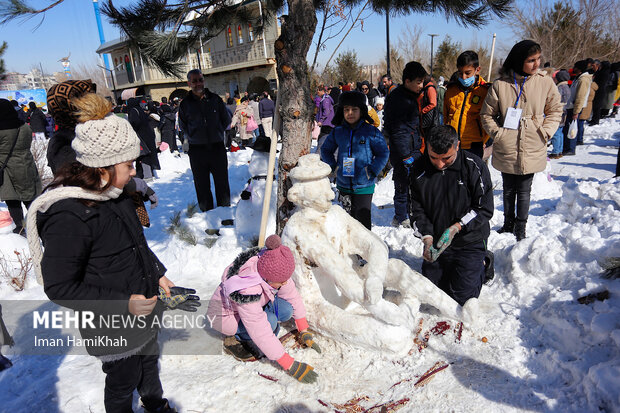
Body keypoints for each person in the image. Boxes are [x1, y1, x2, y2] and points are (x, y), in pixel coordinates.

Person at [27, 93, 188, 412]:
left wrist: (159, 275)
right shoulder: (69, 215)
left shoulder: (115, 195)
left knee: (148, 363)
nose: (134, 172)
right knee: (123, 379)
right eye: (129, 165)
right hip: (110, 321)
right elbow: (59, 286)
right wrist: (123, 304)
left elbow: (135, 243)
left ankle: (156, 405)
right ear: (102, 166)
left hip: (142, 307)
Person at [207, 234, 319, 384]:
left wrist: (303, 329)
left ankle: (264, 316)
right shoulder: (246, 289)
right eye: (281, 281)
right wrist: (290, 365)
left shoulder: (271, 266)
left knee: (286, 310)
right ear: (267, 279)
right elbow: (259, 328)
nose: (285, 283)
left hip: (256, 302)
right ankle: (239, 338)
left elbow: (292, 294)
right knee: (270, 322)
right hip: (225, 317)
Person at [480, 40, 562, 240]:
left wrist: (545, 131)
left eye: (538, 59)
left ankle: (521, 228)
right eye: (531, 60)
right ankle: (508, 224)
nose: (536, 64)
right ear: (518, 61)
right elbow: (486, 115)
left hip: (533, 142)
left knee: (525, 190)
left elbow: (555, 110)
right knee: (508, 188)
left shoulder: (545, 81)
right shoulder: (501, 85)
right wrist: (498, 134)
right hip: (507, 142)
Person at [409, 125, 494, 306]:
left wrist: (457, 227)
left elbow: (483, 208)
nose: (439, 164)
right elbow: (416, 210)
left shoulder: (474, 165)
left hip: (469, 240)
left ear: (457, 146)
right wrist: (428, 238)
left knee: (460, 298)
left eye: (446, 159)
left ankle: (484, 262)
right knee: (433, 294)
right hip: (439, 241)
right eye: (433, 158)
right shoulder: (419, 168)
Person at [320, 91, 389, 229]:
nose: (350, 113)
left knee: (362, 224)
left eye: (354, 109)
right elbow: (325, 150)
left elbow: (383, 153)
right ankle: (348, 250)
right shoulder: (338, 131)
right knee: (346, 223)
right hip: (344, 185)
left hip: (364, 186)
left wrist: (372, 171)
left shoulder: (371, 131)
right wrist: (334, 167)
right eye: (346, 109)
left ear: (362, 111)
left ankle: (364, 250)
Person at [178, 69, 232, 211]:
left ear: (204, 80)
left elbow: (226, 119)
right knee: (201, 184)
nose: (198, 83)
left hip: (217, 147)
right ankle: (206, 212)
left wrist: (217, 132)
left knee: (222, 181)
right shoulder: (185, 104)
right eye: (194, 81)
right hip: (197, 150)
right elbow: (183, 125)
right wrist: (195, 135)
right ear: (189, 83)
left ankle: (224, 211)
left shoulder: (215, 99)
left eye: (200, 80)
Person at [383, 61, 427, 228]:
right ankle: (401, 217)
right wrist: (406, 156)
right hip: (404, 151)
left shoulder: (410, 95)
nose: (421, 86)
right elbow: (399, 130)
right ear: (407, 81)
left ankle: (408, 212)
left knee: (413, 184)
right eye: (418, 82)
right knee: (402, 184)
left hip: (413, 147)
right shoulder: (400, 99)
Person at [0, 99, 42, 236]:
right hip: (26, 165)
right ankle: (38, 223)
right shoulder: (24, 127)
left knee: (12, 199)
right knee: (30, 198)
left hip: (6, 169)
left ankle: (20, 227)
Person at [443, 51, 492, 159]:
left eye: (468, 73)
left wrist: (485, 140)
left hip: (474, 144)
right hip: (452, 143)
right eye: (460, 73)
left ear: (477, 70)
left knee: (472, 174)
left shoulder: (485, 91)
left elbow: (489, 119)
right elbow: (446, 117)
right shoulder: (451, 90)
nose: (464, 77)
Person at [562, 60, 592, 156]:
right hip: (571, 106)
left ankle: (570, 148)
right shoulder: (578, 78)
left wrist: (576, 111)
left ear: (579, 68)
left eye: (575, 66)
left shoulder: (583, 79)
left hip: (575, 107)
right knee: (568, 127)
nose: (573, 68)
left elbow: (580, 96)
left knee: (572, 128)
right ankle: (567, 147)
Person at [127, 97, 160, 180]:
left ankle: (146, 175)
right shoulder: (140, 109)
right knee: (148, 154)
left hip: (142, 136)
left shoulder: (133, 110)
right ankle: (150, 173)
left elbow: (135, 123)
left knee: (143, 155)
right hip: (148, 135)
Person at [549, 70, 571, 158]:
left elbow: (556, 99)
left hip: (559, 112)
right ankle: (560, 150)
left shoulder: (560, 88)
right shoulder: (567, 87)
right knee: (560, 132)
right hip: (564, 111)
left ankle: (556, 151)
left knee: (556, 132)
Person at [315, 85, 335, 154]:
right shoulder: (324, 99)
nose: (317, 92)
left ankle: (319, 155)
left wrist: (321, 120)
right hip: (327, 123)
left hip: (327, 124)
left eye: (318, 90)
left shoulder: (326, 99)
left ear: (322, 91)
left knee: (322, 139)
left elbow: (326, 111)